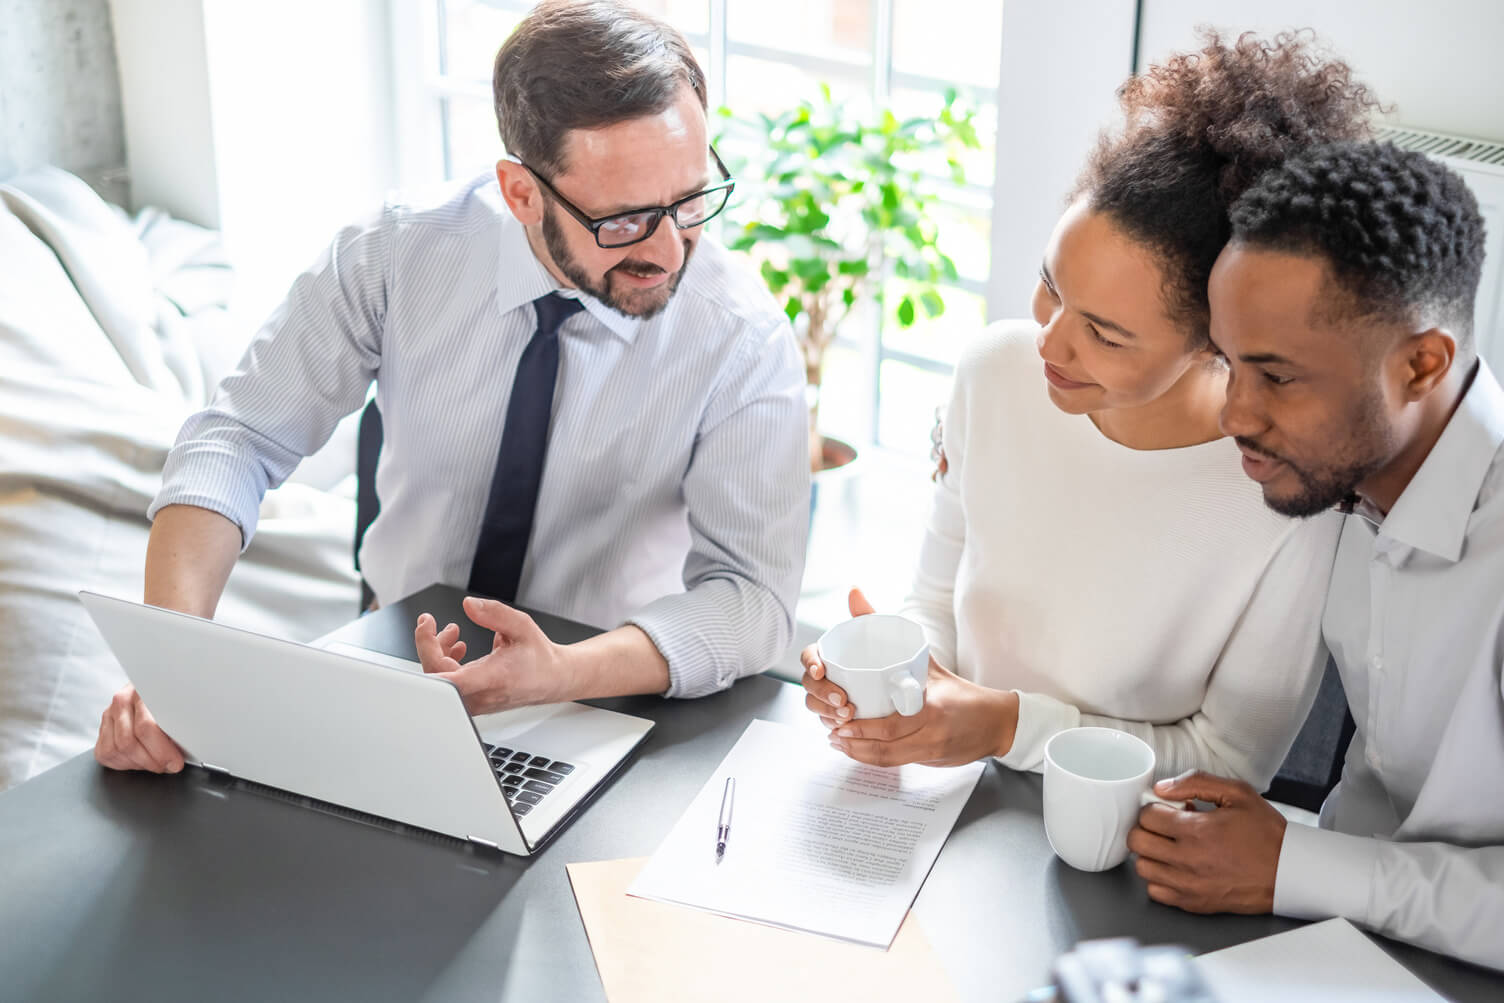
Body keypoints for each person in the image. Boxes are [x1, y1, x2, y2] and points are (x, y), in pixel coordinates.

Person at [93, 0, 808, 774]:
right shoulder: (397, 254)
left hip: (614, 698)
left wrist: (564, 671)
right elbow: (238, 438)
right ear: (521, 192)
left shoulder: (740, 335)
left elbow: (751, 596)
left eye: (691, 199)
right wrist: (172, 662)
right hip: (391, 665)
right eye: (627, 221)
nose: (671, 250)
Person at [801, 32, 1380, 785]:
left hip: (1124, 853)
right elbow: (935, 603)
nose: (1050, 342)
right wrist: (884, 672)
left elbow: (1232, 764)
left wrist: (1007, 725)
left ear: (1219, 341)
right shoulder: (993, 372)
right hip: (953, 802)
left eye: (1104, 333)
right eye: (1051, 285)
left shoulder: (1284, 490)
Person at [1128, 142, 1503, 971]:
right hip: (1331, 941)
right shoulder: (1346, 476)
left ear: (1421, 364)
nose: (1234, 413)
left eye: (1277, 376)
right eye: (1230, 362)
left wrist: (1292, 865)